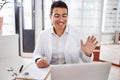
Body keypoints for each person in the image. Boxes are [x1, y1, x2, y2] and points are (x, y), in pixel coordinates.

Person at [33, 1, 98, 68]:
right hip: (50, 70)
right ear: (50, 17)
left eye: (64, 16)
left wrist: (87, 53)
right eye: (57, 16)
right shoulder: (43, 34)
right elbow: (37, 53)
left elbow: (87, 61)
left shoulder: (78, 34)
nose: (61, 19)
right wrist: (38, 59)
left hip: (70, 72)